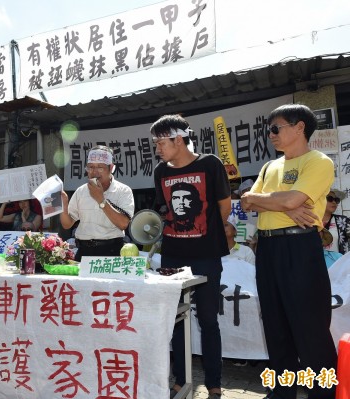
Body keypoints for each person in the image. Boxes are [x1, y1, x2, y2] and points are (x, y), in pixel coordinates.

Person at [241, 104, 337, 399]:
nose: (270, 135)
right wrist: (283, 204)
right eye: (269, 129)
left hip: (300, 248)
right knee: (275, 323)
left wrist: (279, 202)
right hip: (267, 247)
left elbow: (292, 199)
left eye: (275, 128)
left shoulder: (318, 162)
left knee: (309, 326)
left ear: (299, 128)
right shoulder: (270, 166)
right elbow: (246, 201)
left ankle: (321, 394)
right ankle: (281, 393)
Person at [150, 114, 230, 399]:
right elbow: (162, 209)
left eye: (161, 142)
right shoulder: (161, 172)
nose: (158, 148)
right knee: (175, 319)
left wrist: (204, 234)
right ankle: (180, 378)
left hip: (206, 256)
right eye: (156, 143)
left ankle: (214, 383)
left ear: (179, 139)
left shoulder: (210, 164)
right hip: (172, 256)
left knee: (208, 320)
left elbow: (224, 206)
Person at [60, 145, 134, 261]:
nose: (94, 172)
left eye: (100, 167)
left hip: (111, 250)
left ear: (111, 168)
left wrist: (101, 200)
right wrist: (64, 206)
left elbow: (123, 224)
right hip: (84, 251)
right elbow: (67, 224)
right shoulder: (81, 191)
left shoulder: (123, 190)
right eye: (90, 167)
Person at [322, 188, 350, 254]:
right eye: (330, 199)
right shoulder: (308, 221)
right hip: (315, 263)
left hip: (339, 263)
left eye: (336, 200)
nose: (334, 202)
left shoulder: (343, 221)